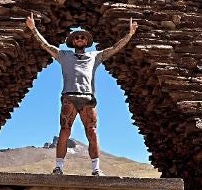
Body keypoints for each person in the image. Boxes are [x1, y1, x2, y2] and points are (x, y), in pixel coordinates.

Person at [26, 13, 138, 175]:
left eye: (82, 37)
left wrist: (129, 35)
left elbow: (114, 49)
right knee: (65, 130)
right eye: (77, 37)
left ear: (86, 42)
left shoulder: (95, 56)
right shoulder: (64, 55)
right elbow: (46, 46)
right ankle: (58, 167)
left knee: (91, 131)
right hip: (69, 97)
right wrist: (34, 29)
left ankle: (96, 169)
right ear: (73, 42)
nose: (79, 39)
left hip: (87, 98)